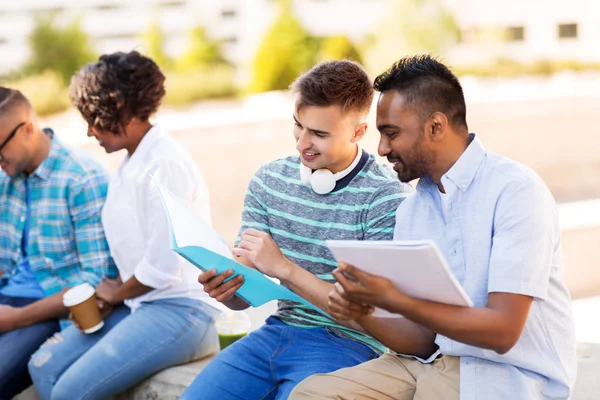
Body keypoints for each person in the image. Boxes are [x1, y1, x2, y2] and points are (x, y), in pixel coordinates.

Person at [290, 55, 577, 400]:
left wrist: (394, 299)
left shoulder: (515, 191)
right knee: (311, 394)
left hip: (505, 372)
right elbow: (422, 341)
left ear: (436, 127)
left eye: (391, 134)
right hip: (426, 363)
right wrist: (362, 309)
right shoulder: (412, 210)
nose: (381, 149)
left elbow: (503, 331)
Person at [181, 60, 415, 400]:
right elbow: (243, 298)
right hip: (275, 333)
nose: (302, 143)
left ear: (358, 132)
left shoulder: (386, 198)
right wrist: (227, 288)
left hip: (349, 345)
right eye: (298, 125)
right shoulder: (270, 180)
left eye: (319, 134)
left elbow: (372, 320)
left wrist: (285, 270)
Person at [28, 51, 224, 400]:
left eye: (93, 119)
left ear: (119, 109)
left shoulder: (164, 162)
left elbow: (162, 268)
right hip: (142, 304)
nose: (89, 131)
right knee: (43, 365)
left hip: (182, 310)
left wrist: (115, 293)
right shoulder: (132, 161)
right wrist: (112, 296)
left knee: (68, 393)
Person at [0, 87, 116, 399]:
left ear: (26, 130)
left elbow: (95, 281)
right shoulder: (6, 178)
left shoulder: (82, 179)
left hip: (49, 311)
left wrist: (15, 318)